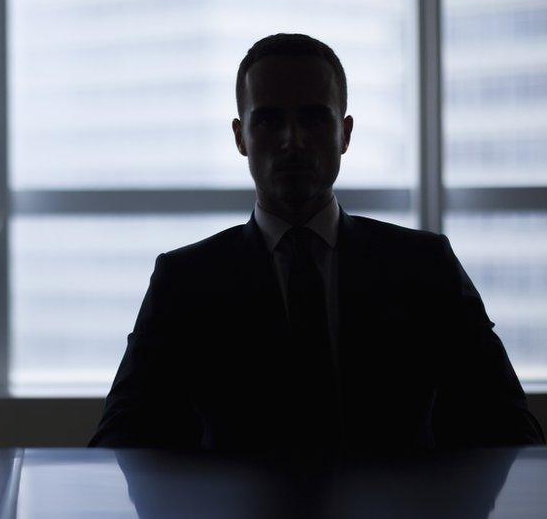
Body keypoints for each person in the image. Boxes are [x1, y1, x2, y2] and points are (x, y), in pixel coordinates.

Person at [90, 33, 544, 451]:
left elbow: (507, 426)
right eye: (269, 120)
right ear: (240, 138)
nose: (293, 141)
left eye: (313, 117)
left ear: (344, 134)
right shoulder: (185, 282)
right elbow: (121, 442)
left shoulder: (424, 267)